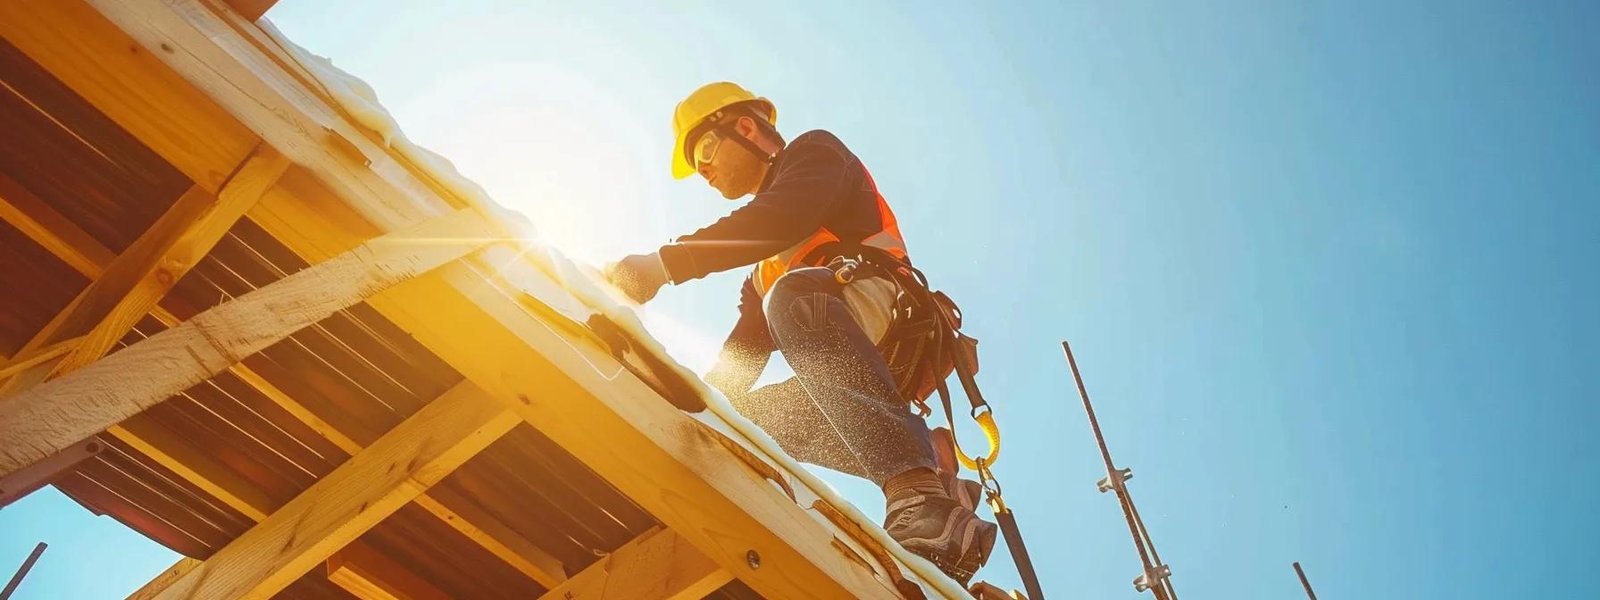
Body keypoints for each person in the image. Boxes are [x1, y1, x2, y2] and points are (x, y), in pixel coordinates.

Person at [604, 81, 995, 581]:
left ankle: (917, 496)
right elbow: (740, 361)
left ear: (745, 127)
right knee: (751, 422)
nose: (703, 170)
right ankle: (934, 473)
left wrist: (663, 264)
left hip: (889, 314)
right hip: (855, 363)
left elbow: (782, 217)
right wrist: (688, 404)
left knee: (792, 298)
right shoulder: (764, 275)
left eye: (704, 148)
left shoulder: (814, 152)